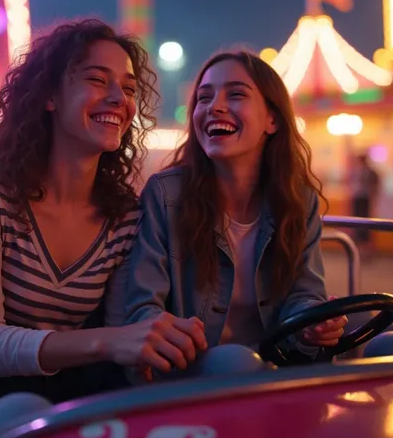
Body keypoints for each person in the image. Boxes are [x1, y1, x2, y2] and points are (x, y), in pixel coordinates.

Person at [0, 19, 206, 438]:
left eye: (129, 88)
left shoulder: (122, 217)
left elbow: (125, 339)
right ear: (48, 96)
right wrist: (108, 341)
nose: (119, 99)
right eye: (98, 80)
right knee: (22, 421)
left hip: (82, 398)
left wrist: (176, 339)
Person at [109, 49, 347, 378]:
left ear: (272, 119)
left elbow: (305, 295)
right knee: (235, 362)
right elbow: (142, 305)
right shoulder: (166, 195)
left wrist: (315, 323)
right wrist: (169, 332)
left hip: (276, 366)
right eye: (204, 98)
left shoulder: (297, 200)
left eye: (235, 94)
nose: (215, 106)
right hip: (194, 372)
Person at [349, 153, 380, 257]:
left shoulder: (369, 172)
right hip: (358, 198)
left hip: (365, 198)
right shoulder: (357, 171)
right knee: (357, 222)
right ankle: (359, 249)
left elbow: (375, 184)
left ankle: (365, 249)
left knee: (365, 223)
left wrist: (373, 194)